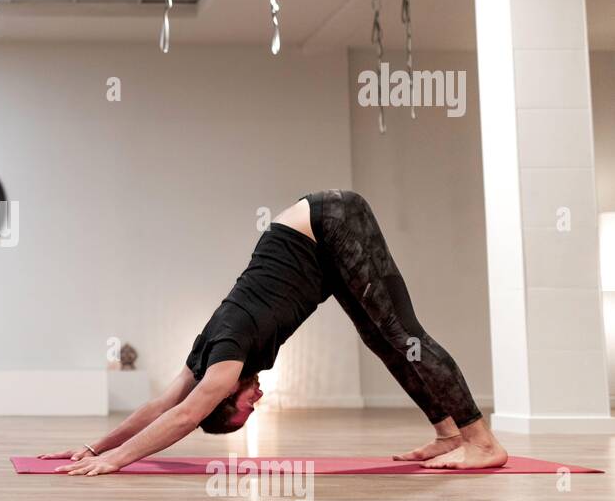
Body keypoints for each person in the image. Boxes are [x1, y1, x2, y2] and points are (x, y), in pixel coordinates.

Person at [42, 190, 507, 475]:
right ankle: (448, 435)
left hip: (329, 223)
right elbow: (161, 405)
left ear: (223, 397)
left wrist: (116, 459)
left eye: (246, 408)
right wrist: (92, 446)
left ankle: (482, 442)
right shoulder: (207, 356)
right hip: (319, 246)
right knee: (383, 340)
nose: (256, 401)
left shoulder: (223, 365)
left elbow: (181, 417)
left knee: (403, 333)